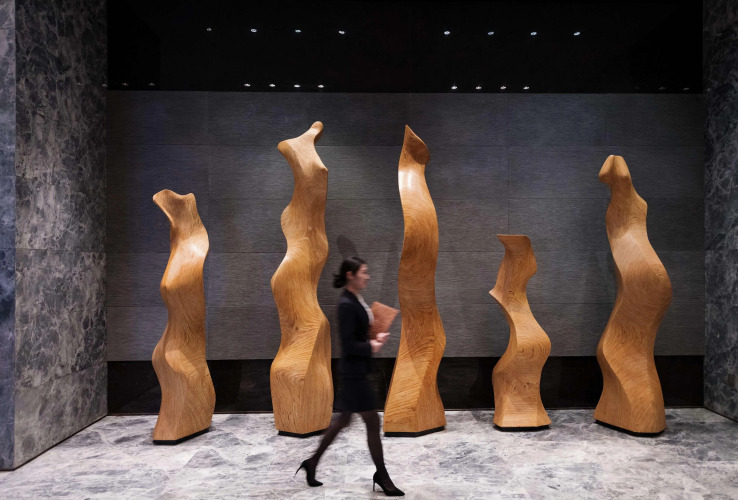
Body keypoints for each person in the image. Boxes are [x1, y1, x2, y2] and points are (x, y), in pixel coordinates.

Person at [296, 257, 404, 496]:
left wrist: (374, 337)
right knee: (372, 422)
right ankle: (382, 476)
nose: (367, 276)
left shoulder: (356, 299)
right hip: (354, 375)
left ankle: (312, 463)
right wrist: (372, 346)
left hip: (356, 371)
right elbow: (348, 344)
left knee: (343, 421)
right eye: (363, 272)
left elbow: (358, 334)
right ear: (350, 275)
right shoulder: (346, 304)